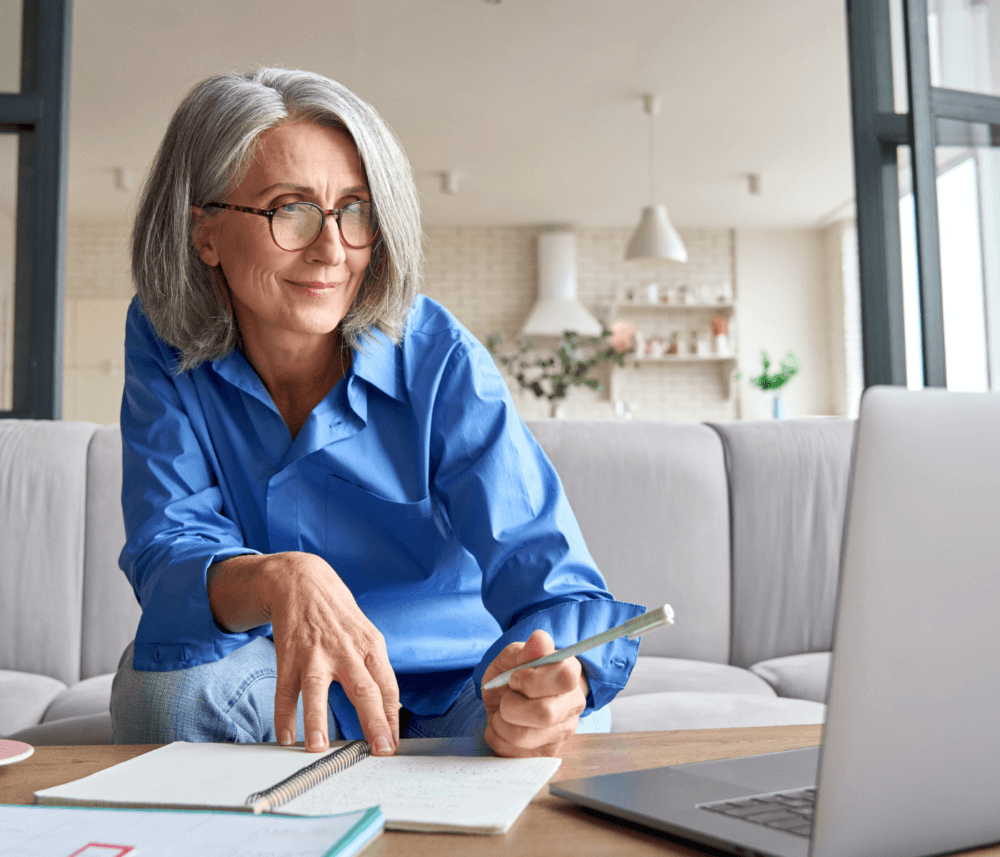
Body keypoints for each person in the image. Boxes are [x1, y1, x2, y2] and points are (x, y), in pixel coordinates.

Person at [111, 67, 643, 758]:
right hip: (278, 686)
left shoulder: (439, 355)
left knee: (561, 731)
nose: (333, 249)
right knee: (163, 694)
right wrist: (278, 576)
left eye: (354, 210)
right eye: (290, 209)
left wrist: (556, 676)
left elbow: (549, 577)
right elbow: (168, 546)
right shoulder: (162, 337)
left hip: (459, 689)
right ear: (204, 232)